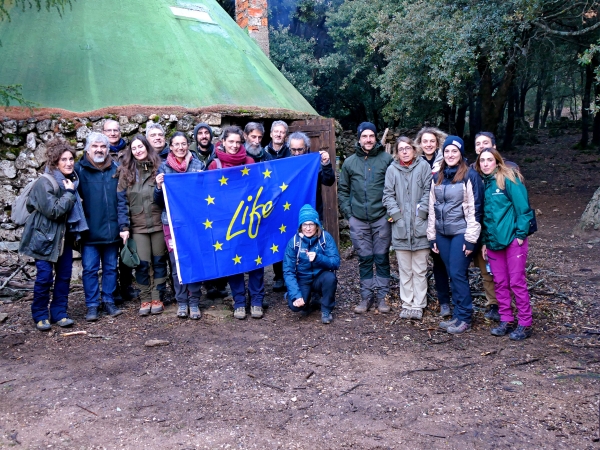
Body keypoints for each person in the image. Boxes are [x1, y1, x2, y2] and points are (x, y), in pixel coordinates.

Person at [20, 139, 87, 331]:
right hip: (44, 238)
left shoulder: (71, 180)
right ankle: (40, 315)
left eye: (71, 158)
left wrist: (70, 190)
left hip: (63, 238)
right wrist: (69, 193)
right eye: (63, 159)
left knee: (64, 276)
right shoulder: (45, 183)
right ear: (54, 162)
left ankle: (59, 313)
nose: (68, 163)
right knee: (44, 277)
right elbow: (54, 211)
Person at [477, 147, 535, 340]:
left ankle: (525, 323)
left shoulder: (508, 179)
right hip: (493, 242)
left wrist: (520, 235)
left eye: (489, 160)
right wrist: (485, 241)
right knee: (500, 282)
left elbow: (524, 209)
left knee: (516, 281)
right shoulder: (482, 184)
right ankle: (507, 319)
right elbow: (484, 217)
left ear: (497, 161)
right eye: (482, 160)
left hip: (512, 240)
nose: (485, 164)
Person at [208, 126, 265, 319]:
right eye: (230, 141)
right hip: (227, 223)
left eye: (237, 142)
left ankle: (256, 300)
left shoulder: (249, 162)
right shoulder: (215, 165)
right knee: (234, 259)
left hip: (249, 219)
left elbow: (258, 189)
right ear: (223, 142)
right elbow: (208, 194)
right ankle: (239, 301)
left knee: (256, 259)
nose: (234, 145)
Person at [427, 136, 483, 334]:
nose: (450, 155)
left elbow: (475, 209)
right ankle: (457, 315)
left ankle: (465, 317)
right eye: (447, 151)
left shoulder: (470, 176)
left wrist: (470, 239)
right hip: (442, 234)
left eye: (454, 151)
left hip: (461, 232)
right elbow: (432, 209)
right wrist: (432, 236)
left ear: (460, 154)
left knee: (458, 274)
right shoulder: (437, 177)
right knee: (452, 273)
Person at [338, 122, 393, 314]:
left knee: (382, 257)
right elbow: (343, 190)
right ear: (359, 138)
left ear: (376, 137)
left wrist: (389, 214)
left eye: (371, 136)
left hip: (381, 218)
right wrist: (349, 214)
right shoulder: (350, 162)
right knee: (365, 258)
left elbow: (394, 187)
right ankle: (366, 296)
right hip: (358, 219)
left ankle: (383, 297)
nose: (368, 140)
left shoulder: (387, 159)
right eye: (364, 136)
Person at [154, 132, 205, 318]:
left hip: (194, 223)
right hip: (172, 224)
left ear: (188, 145)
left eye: (184, 144)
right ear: (171, 146)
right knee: (177, 263)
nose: (181, 148)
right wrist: (158, 187)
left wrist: (203, 181)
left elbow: (205, 196)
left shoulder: (198, 165)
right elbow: (158, 200)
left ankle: (194, 301)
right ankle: (181, 301)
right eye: (176, 144)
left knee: (194, 260)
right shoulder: (164, 168)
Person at [117, 135, 169, 317]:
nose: (138, 150)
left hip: (157, 223)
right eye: (134, 148)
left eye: (141, 147)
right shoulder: (126, 172)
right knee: (142, 264)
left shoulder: (159, 168)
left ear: (147, 147)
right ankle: (145, 297)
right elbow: (121, 202)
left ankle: (157, 297)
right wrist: (124, 227)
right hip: (137, 226)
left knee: (159, 262)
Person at [75, 132, 123, 322]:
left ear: (108, 149)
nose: (99, 150)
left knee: (111, 268)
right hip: (89, 231)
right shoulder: (79, 170)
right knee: (89, 269)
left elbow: (122, 199)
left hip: (112, 229)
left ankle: (108, 300)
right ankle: (92, 305)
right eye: (95, 146)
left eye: (103, 146)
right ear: (88, 149)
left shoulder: (116, 169)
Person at [382, 137, 432, 320]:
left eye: (407, 148)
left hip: (420, 226)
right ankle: (407, 303)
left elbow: (429, 191)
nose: (404, 151)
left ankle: (418, 304)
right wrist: (397, 216)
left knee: (419, 269)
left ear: (414, 149)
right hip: (401, 228)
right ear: (396, 152)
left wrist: (422, 214)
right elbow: (387, 195)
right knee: (405, 269)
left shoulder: (423, 167)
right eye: (401, 149)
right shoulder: (392, 170)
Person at [415, 126, 452, 317]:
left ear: (437, 142)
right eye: (425, 141)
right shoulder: (415, 162)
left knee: (445, 261)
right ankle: (438, 299)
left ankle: (450, 301)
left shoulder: (447, 159)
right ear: (420, 144)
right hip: (422, 218)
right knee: (429, 260)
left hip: (444, 217)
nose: (428, 144)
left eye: (432, 141)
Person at [283, 204, 340, 324]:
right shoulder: (293, 243)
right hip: (303, 278)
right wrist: (295, 295)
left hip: (320, 276)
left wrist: (319, 258)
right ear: (300, 226)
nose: (308, 228)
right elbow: (288, 271)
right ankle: (307, 300)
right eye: (305, 224)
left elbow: (335, 262)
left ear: (317, 225)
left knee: (330, 278)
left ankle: (326, 310)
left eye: (311, 224)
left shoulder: (325, 238)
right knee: (295, 306)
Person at [103, 119, 137, 305]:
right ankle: (112, 288)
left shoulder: (128, 152)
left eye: (116, 130)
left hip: (127, 205)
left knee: (126, 249)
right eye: (109, 130)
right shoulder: (99, 151)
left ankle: (127, 285)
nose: (113, 133)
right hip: (107, 207)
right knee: (110, 254)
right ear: (103, 132)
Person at [288, 131, 335, 221]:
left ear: (306, 147)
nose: (297, 153)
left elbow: (329, 181)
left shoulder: (314, 162)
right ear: (289, 148)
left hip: (312, 212)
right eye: (293, 150)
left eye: (300, 149)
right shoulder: (285, 162)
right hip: (290, 212)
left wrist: (326, 164)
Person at [265, 120, 290, 291]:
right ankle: (278, 275)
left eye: (282, 132)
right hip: (269, 203)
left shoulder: (292, 154)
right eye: (276, 132)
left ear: (286, 136)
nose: (279, 134)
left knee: (288, 237)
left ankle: (290, 274)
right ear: (271, 134)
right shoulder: (263, 153)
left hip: (288, 202)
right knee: (274, 238)